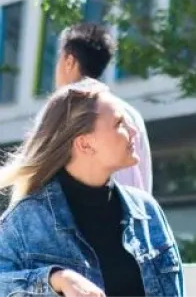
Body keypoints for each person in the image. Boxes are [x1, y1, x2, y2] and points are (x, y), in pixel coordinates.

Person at [0, 79, 183, 297]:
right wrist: (56, 280)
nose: (134, 130)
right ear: (85, 144)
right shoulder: (25, 220)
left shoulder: (147, 211)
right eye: (119, 124)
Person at [55, 22, 153, 193]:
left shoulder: (62, 112)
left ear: (69, 61)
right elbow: (144, 179)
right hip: (131, 214)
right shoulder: (131, 115)